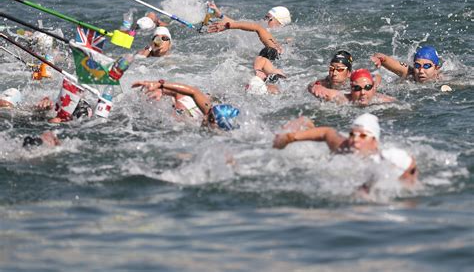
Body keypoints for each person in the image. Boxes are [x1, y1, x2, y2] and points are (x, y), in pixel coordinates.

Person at [273, 113, 418, 186]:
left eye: (362, 136)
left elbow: (410, 165)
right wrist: (290, 137)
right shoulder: (345, 146)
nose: (355, 139)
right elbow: (327, 132)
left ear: (374, 141)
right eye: (352, 134)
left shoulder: (386, 160)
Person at [132, 80, 240, 130]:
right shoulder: (192, 111)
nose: (206, 117)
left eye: (211, 118)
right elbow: (192, 91)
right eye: (209, 114)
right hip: (187, 109)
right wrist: (161, 87)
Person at [310, 69, 395, 106]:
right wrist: (316, 86)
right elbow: (312, 87)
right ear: (351, 89)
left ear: (373, 88)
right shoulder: (341, 99)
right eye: (357, 88)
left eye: (368, 87)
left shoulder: (385, 101)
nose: (362, 92)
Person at [371, 46, 442, 83]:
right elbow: (382, 57)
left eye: (426, 66)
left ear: (436, 68)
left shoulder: (443, 80)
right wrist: (378, 58)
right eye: (417, 66)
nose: (421, 71)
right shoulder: (410, 73)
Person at [208, 2, 292, 29]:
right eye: (265, 17)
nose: (265, 20)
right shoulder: (260, 27)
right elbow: (236, 23)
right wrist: (219, 14)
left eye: (269, 18)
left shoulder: (283, 36)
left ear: (280, 22)